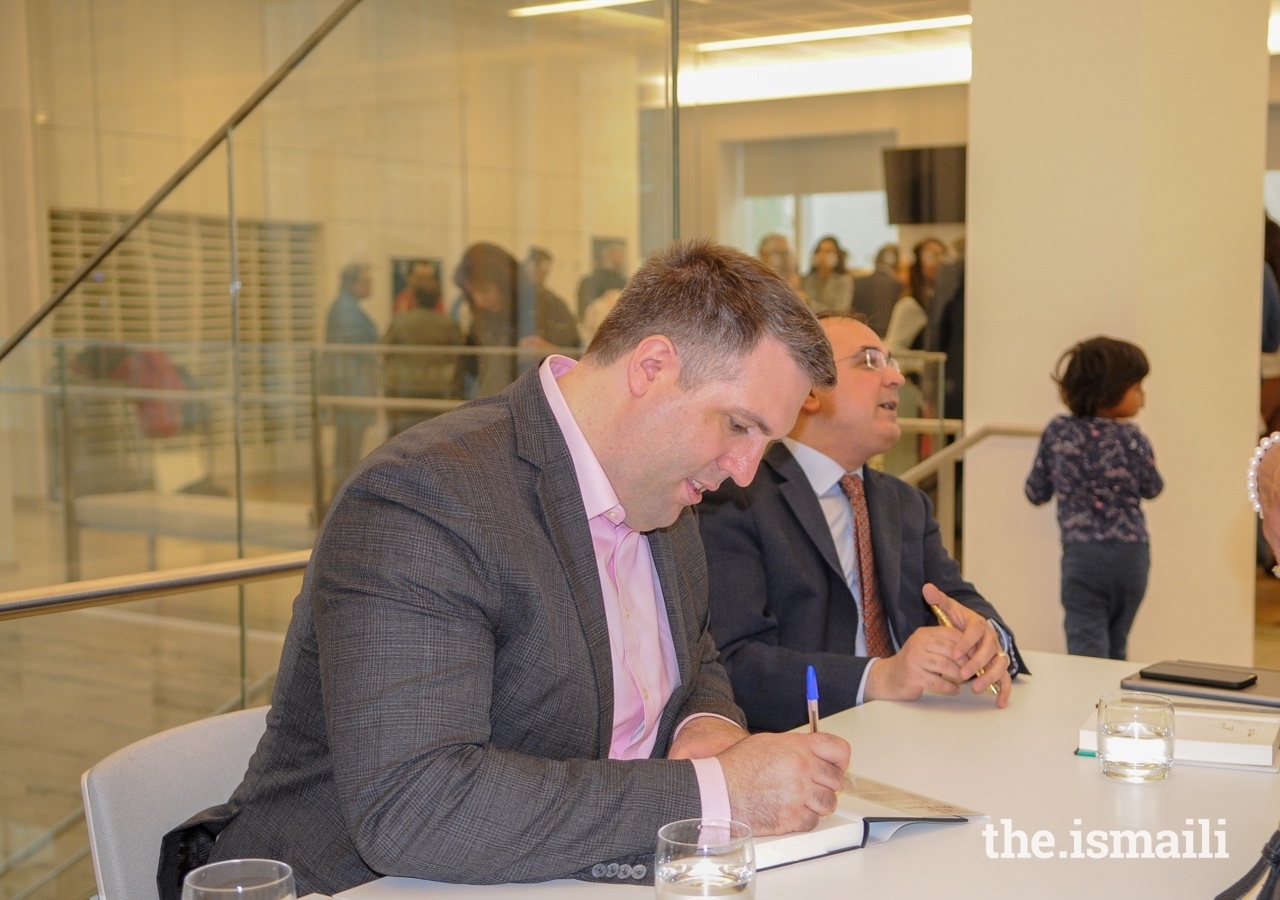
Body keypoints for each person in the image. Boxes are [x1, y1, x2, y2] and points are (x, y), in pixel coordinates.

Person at [157, 238, 850, 899]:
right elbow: (418, 807)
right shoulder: (425, 497)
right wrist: (716, 792)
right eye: (738, 426)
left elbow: (696, 659)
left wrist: (705, 728)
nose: (744, 471)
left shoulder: (667, 495)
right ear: (651, 368)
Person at [698, 312, 1023, 733]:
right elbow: (735, 664)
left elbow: (960, 601)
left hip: (917, 733)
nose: (897, 379)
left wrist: (987, 638)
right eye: (870, 361)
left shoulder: (905, 503)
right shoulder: (737, 495)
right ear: (810, 391)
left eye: (892, 362)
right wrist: (878, 677)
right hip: (803, 745)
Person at [1025, 336, 1164, 660]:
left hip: (1083, 558)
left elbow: (1035, 492)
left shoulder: (1059, 432)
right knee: (1117, 647)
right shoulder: (1132, 437)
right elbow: (1153, 487)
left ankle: (1090, 708)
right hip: (1133, 557)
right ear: (1111, 389)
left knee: (1086, 651)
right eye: (1137, 387)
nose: (1143, 397)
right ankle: (1115, 707)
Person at [455, 242, 580, 398]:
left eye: (484, 290)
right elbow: (470, 370)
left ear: (504, 282)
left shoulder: (547, 306)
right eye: (471, 293)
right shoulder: (484, 316)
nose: (479, 300)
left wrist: (554, 354)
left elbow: (580, 364)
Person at [380, 262, 463, 438]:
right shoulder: (447, 324)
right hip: (437, 389)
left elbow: (384, 350)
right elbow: (458, 354)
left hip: (404, 388)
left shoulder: (400, 321)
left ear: (415, 297)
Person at [322, 262, 378, 498]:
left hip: (352, 386)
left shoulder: (347, 307)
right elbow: (360, 348)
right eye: (365, 282)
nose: (370, 286)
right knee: (348, 449)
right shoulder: (346, 310)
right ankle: (341, 499)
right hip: (351, 388)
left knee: (348, 449)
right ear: (351, 283)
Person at [851, 243, 903, 338]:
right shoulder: (898, 285)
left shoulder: (857, 282)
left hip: (861, 335)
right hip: (888, 338)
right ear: (897, 264)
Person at [799, 236, 853, 315]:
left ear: (837, 255)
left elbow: (841, 312)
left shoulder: (844, 281)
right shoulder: (807, 279)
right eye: (820, 251)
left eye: (829, 252)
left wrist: (811, 304)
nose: (823, 255)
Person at [576, 239, 628, 318]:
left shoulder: (623, 281)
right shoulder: (591, 281)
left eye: (619, 261)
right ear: (606, 258)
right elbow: (588, 306)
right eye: (615, 260)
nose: (618, 263)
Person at [757, 232, 806, 300]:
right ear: (764, 256)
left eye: (787, 253)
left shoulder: (804, 281)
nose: (786, 259)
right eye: (780, 253)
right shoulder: (756, 283)